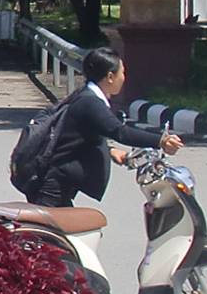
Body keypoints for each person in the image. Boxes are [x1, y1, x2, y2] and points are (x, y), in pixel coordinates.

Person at [29, 47, 182, 209]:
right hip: (52, 187)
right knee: (79, 224)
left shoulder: (84, 95)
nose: (124, 77)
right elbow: (120, 132)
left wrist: (110, 151)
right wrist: (161, 141)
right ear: (110, 77)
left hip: (54, 183)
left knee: (76, 224)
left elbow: (78, 137)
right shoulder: (90, 102)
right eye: (122, 73)